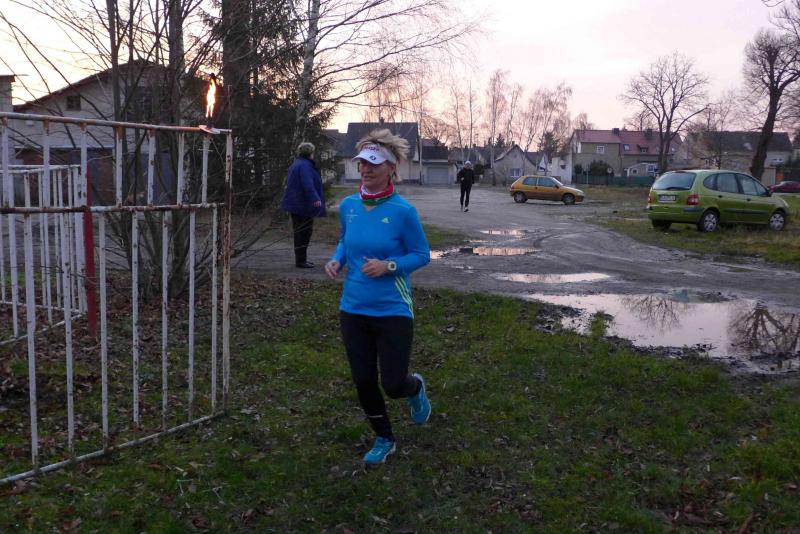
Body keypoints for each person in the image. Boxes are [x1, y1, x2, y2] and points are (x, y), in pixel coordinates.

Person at [324, 129, 431, 465]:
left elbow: (422, 254)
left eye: (373, 163)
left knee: (393, 384)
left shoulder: (403, 211)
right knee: (364, 380)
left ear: (391, 167)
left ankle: (415, 389)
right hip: (353, 307)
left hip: (392, 310)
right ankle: (384, 438)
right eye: (362, 163)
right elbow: (346, 240)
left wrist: (390, 265)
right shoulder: (349, 206)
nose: (365, 169)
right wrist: (337, 259)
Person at [281, 142, 326, 268]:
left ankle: (301, 259)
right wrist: (315, 198)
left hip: (296, 204)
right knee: (304, 232)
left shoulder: (296, 164)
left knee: (300, 232)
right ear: (311, 153)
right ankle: (301, 261)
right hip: (302, 205)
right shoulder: (305, 166)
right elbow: (308, 183)